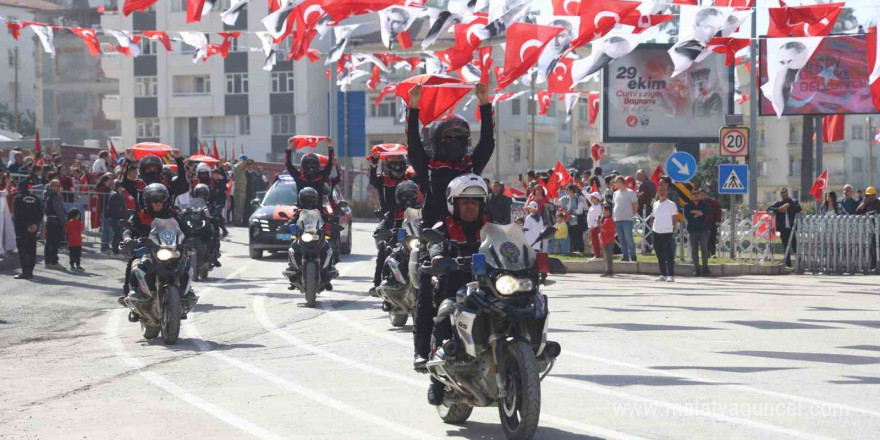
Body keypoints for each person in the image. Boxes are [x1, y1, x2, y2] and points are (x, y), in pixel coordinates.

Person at [408, 83, 493, 371]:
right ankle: (422, 351)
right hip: (437, 236)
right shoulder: (428, 166)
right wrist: (414, 108)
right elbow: (412, 146)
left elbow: (489, 144)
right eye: (449, 137)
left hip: (473, 233)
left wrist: (484, 104)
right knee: (426, 290)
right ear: (437, 141)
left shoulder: (470, 166)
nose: (455, 142)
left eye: (460, 137)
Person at [422, 174, 487, 405]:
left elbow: (508, 244)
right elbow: (434, 242)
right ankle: (437, 382)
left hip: (489, 292)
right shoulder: (444, 226)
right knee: (442, 318)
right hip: (456, 291)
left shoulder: (491, 227)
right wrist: (438, 255)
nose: (471, 206)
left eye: (475, 201)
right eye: (465, 201)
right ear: (454, 203)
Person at [121, 184, 193, 301]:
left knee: (185, 261)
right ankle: (131, 291)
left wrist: (190, 237)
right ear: (148, 201)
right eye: (155, 200)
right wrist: (128, 238)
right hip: (147, 249)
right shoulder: (140, 214)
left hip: (170, 247)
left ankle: (187, 289)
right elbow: (128, 229)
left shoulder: (172, 214)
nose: (158, 202)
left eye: (161, 199)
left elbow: (185, 228)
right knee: (135, 263)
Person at [121, 149, 188, 209]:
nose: (152, 172)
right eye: (148, 169)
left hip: (166, 219)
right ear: (142, 171)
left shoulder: (167, 186)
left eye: (155, 169)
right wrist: (127, 160)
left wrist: (179, 160)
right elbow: (121, 180)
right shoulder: (138, 186)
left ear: (159, 170)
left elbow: (182, 180)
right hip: (142, 220)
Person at [13, 180, 43, 279]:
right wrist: (35, 224)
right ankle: (30, 272)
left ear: (19, 187)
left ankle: (25, 272)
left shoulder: (18, 198)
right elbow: (41, 213)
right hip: (33, 229)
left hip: (22, 229)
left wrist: (25, 226)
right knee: (31, 250)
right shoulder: (36, 198)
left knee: (23, 251)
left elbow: (17, 215)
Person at [653, 182, 679, 282]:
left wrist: (673, 228)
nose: (662, 192)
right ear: (657, 192)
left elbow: (675, 217)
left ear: (667, 192)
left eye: (663, 191)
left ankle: (671, 275)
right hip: (656, 231)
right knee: (659, 254)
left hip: (667, 232)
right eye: (660, 191)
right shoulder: (655, 204)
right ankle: (663, 274)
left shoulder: (671, 204)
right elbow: (655, 217)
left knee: (669, 255)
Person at [768, 187, 802, 267]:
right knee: (786, 246)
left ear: (788, 194)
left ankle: (798, 264)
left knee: (795, 246)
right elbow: (769, 208)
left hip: (792, 228)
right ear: (781, 195)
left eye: (786, 195)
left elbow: (798, 209)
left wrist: (789, 205)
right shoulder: (779, 203)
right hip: (783, 229)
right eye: (783, 195)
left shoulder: (793, 201)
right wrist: (778, 209)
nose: (785, 196)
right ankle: (788, 265)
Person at [684, 187, 711, 277]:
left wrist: (694, 212)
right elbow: (688, 216)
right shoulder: (688, 204)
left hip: (703, 230)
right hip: (692, 230)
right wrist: (698, 213)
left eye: (697, 194)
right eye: (694, 194)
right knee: (694, 251)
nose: (695, 195)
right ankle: (697, 269)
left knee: (704, 250)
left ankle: (705, 268)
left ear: (700, 195)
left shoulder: (705, 204)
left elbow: (705, 214)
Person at [612, 176, 638, 261]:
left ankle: (633, 255)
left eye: (616, 182)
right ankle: (625, 256)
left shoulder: (630, 192)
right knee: (621, 239)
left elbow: (635, 205)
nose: (614, 184)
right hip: (617, 219)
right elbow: (614, 205)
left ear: (620, 182)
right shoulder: (615, 193)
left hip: (627, 219)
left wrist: (630, 214)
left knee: (629, 238)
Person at [43, 179, 65, 269]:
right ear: (51, 186)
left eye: (59, 185)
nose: (58, 187)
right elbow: (59, 210)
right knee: (54, 243)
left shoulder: (46, 195)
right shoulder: (55, 196)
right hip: (55, 221)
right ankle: (54, 262)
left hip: (49, 220)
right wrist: (64, 222)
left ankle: (48, 262)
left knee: (49, 242)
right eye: (56, 185)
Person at [104, 181, 127, 254]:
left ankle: (116, 250)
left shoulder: (116, 194)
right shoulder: (115, 195)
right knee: (116, 235)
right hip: (116, 218)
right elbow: (116, 208)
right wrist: (119, 217)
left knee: (117, 235)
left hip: (116, 217)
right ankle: (115, 252)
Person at [564, 184, 587, 253]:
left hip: (578, 222)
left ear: (571, 190)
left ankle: (580, 251)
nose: (565, 191)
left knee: (578, 237)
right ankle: (573, 251)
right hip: (569, 222)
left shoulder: (580, 198)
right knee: (572, 237)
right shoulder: (566, 198)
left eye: (567, 189)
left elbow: (579, 211)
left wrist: (571, 212)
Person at [232, 155, 250, 226]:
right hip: (238, 189)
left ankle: (240, 220)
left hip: (243, 189)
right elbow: (238, 166)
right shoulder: (237, 166)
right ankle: (236, 221)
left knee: (241, 206)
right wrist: (242, 161)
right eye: (245, 160)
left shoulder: (243, 168)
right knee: (238, 206)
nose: (246, 162)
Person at [599, 204, 615, 277]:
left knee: (607, 257)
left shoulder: (608, 220)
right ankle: (608, 270)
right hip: (606, 240)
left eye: (604, 211)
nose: (603, 212)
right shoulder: (607, 219)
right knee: (606, 256)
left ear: (608, 211)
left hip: (608, 241)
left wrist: (600, 225)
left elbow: (605, 230)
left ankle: (608, 270)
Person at [587, 192, 603, 261]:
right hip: (591, 227)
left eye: (593, 197)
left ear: (597, 199)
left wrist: (593, 226)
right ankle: (596, 255)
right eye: (592, 197)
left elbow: (598, 218)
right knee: (594, 242)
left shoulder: (598, 207)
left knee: (596, 242)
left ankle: (597, 256)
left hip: (595, 227)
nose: (592, 198)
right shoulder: (593, 205)